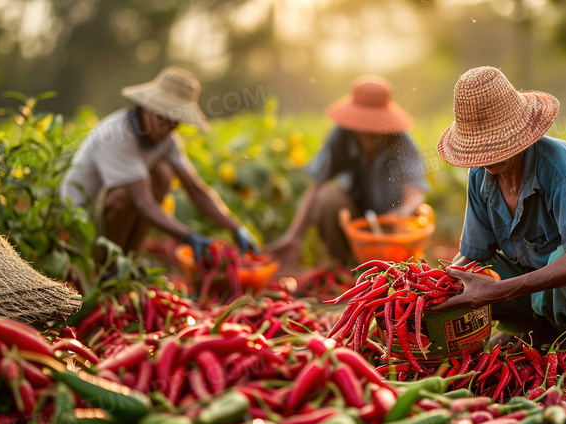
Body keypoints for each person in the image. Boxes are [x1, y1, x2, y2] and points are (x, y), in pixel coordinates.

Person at [431, 66, 566, 370]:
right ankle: (538, 329)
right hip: (539, 281)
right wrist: (429, 291)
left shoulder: (563, 168)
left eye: (495, 144)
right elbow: (473, 256)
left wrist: (499, 290)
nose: (488, 157)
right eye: (480, 148)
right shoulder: (481, 178)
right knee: (476, 273)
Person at [60, 66, 259, 263]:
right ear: (146, 107)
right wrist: (188, 237)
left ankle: (128, 262)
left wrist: (236, 228)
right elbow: (143, 203)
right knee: (124, 195)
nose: (166, 129)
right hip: (80, 223)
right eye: (161, 119)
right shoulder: (117, 134)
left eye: (174, 123)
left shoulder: (167, 140)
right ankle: (107, 267)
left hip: (110, 218)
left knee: (163, 172)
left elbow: (195, 189)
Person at [267, 75, 429, 271]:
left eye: (374, 130)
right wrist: (294, 237)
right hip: (356, 221)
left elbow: (415, 192)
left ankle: (390, 268)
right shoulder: (342, 136)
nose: (368, 136)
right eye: (364, 129)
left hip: (392, 224)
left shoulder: (400, 141)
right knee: (327, 198)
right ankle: (347, 265)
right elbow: (317, 186)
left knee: (397, 259)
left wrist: (400, 214)